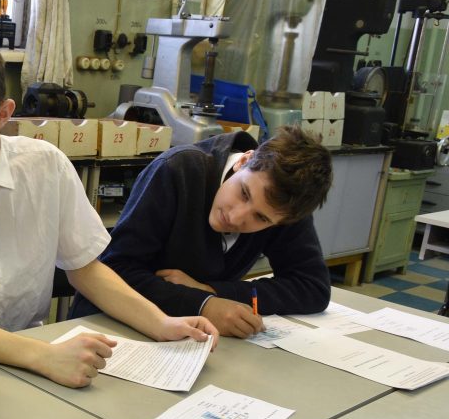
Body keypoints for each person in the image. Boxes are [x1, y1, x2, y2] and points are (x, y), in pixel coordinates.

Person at [0, 31, 216, 389]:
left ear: (2, 114)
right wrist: (44, 356)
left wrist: (161, 324)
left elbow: (85, 269)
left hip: (33, 356)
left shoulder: (46, 166)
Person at [70, 126, 333, 338]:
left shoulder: (284, 205)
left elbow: (313, 288)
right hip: (108, 326)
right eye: (243, 193)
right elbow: (115, 271)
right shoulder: (177, 170)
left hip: (190, 339)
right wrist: (203, 304)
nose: (236, 217)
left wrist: (213, 291)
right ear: (244, 160)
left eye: (260, 218)